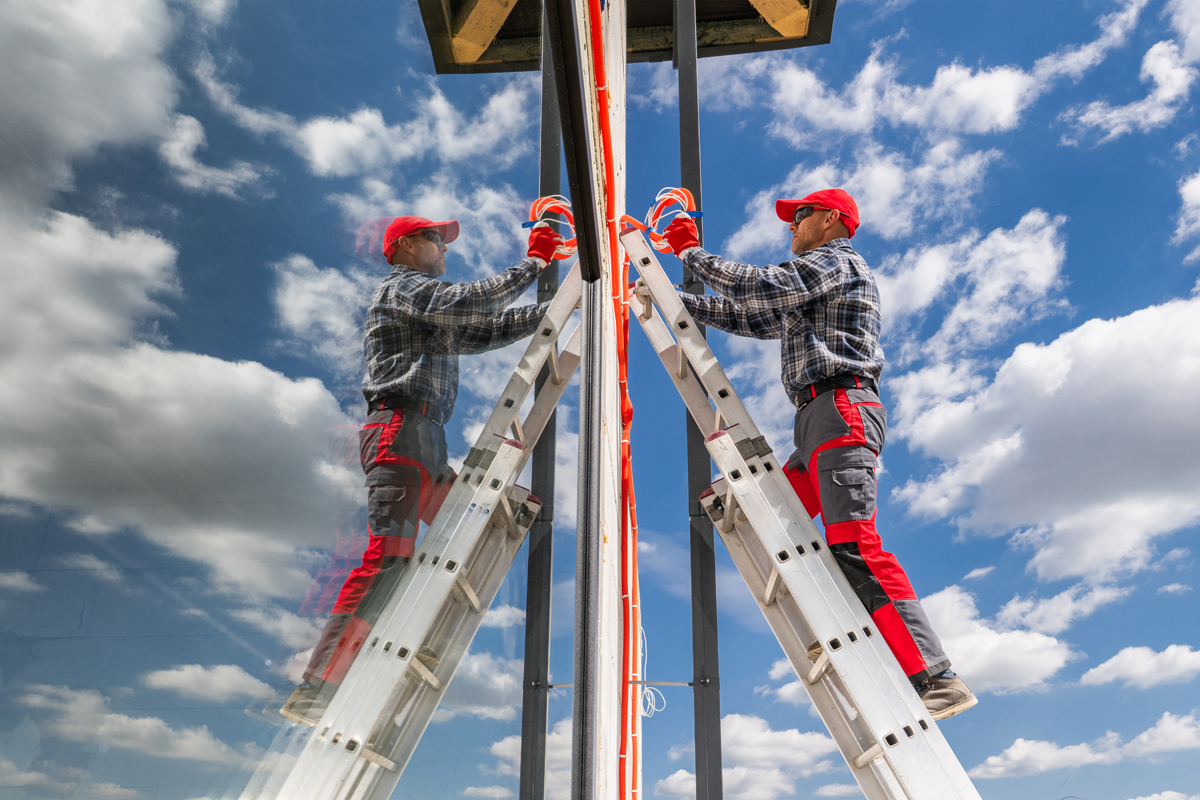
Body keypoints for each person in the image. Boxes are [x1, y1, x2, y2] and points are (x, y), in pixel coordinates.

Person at [660, 190, 976, 721]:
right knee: (775, 527)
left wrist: (690, 252)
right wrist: (662, 297)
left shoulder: (836, 261)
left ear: (831, 220)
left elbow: (762, 285)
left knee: (853, 542)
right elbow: (751, 315)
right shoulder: (811, 288)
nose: (792, 227)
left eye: (800, 216)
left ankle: (936, 677)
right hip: (817, 417)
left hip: (840, 408)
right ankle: (837, 626)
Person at [281, 215, 562, 725]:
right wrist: (535, 263)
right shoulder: (402, 289)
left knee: (468, 536)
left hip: (425, 438)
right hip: (401, 433)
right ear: (407, 246)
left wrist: (566, 308)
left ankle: (418, 639)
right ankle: (316, 689)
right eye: (435, 239)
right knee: (390, 557)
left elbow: (486, 328)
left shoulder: (426, 313)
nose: (443, 248)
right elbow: (469, 303)